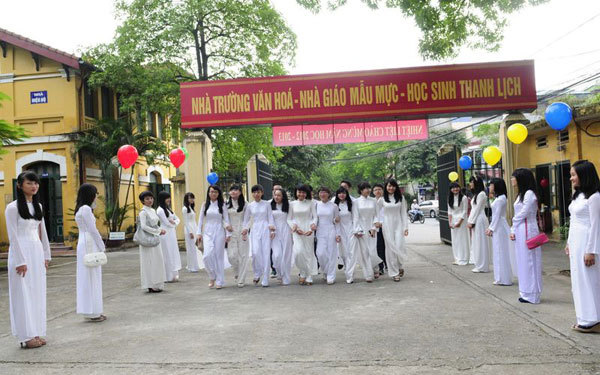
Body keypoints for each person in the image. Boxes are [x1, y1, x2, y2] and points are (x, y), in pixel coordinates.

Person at [5, 171, 51, 349]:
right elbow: (13, 235)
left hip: (36, 252)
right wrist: (19, 261)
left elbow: (43, 232)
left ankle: (36, 331)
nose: (34, 186)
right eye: (29, 183)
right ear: (19, 185)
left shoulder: (37, 205)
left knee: (37, 292)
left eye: (36, 183)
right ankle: (25, 336)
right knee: (22, 294)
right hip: (21, 252)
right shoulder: (13, 208)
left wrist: (46, 255)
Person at [566, 160, 600, 332]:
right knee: (578, 281)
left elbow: (595, 226)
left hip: (587, 243)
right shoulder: (579, 196)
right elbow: (574, 220)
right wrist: (568, 242)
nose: (571, 178)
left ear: (584, 175)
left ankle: (594, 319)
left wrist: (591, 251)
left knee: (590, 280)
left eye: (574, 175)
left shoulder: (595, 197)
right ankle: (584, 317)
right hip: (576, 242)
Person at [510, 168, 543, 304]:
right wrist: (514, 229)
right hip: (520, 228)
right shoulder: (521, 194)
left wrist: (513, 225)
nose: (512, 180)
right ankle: (525, 291)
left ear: (521, 179)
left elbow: (523, 212)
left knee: (530, 261)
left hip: (528, 229)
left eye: (514, 177)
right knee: (522, 261)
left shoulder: (529, 194)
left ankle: (533, 293)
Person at [75, 183, 107, 322]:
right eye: (95, 193)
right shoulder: (86, 209)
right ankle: (94, 311)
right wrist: (101, 245)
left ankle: (91, 310)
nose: (96, 196)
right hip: (89, 242)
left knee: (87, 275)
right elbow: (93, 229)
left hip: (83, 241)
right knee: (92, 276)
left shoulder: (80, 208)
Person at [197, 185, 232, 289]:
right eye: (211, 192)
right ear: (208, 193)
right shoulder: (205, 205)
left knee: (219, 257)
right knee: (206, 256)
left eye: (215, 192)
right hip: (207, 232)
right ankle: (212, 276)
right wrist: (198, 233)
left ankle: (220, 280)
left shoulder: (222, 205)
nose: (213, 194)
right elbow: (200, 220)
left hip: (219, 231)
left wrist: (228, 234)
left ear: (218, 194)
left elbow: (226, 219)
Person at [242, 184, 276, 287]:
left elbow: (270, 217)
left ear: (262, 193)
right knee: (255, 252)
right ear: (252, 193)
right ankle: (257, 273)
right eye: (254, 192)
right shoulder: (250, 205)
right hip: (255, 229)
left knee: (265, 253)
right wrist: (245, 229)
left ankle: (265, 277)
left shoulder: (266, 204)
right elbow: (246, 220)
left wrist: (272, 229)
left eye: (258, 192)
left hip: (265, 229)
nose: (256, 194)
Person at [378, 179, 409, 282]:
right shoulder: (382, 199)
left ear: (396, 187)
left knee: (399, 246)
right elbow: (376, 213)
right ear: (386, 187)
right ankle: (394, 272)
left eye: (393, 186)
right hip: (387, 225)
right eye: (389, 186)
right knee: (390, 249)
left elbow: (403, 213)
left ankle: (399, 265)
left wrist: (405, 227)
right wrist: (379, 223)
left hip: (398, 224)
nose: (391, 188)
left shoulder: (401, 198)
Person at [287, 184, 318, 285]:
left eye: (303, 192)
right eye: (299, 192)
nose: (301, 194)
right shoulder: (292, 204)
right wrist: (295, 227)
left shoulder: (310, 203)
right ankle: (302, 271)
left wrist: (311, 228)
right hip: (297, 230)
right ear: (296, 192)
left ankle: (308, 275)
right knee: (298, 252)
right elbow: (289, 218)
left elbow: (315, 217)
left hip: (308, 230)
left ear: (306, 193)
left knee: (308, 253)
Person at [137, 191, 167, 293]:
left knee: (157, 260)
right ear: (142, 201)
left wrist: (159, 230)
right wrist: (158, 231)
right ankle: (150, 284)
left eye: (151, 198)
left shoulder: (153, 210)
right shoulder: (143, 212)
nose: (150, 200)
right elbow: (144, 226)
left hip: (155, 239)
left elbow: (155, 224)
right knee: (149, 261)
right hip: (147, 240)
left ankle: (157, 283)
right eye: (147, 199)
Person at [486, 178, 513, 286]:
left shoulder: (501, 199)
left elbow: (497, 215)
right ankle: (500, 277)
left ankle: (504, 278)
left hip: (499, 227)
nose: (490, 187)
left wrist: (491, 228)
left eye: (491, 185)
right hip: (498, 225)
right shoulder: (500, 198)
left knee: (500, 251)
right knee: (498, 251)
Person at [353, 182, 382, 282]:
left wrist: (374, 227)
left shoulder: (374, 201)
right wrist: (356, 230)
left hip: (371, 229)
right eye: (365, 188)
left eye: (369, 188)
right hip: (362, 230)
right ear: (361, 190)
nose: (368, 190)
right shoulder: (356, 202)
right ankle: (368, 274)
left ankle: (376, 268)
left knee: (372, 251)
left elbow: (377, 215)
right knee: (364, 252)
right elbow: (355, 217)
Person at [315, 187, 341, 285]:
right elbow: (314, 218)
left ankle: (331, 275)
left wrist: (338, 234)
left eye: (325, 192)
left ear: (328, 194)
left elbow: (337, 221)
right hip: (320, 231)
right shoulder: (316, 205)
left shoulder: (334, 206)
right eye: (321, 192)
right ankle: (325, 271)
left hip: (331, 230)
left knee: (331, 253)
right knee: (320, 253)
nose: (322, 194)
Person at [226, 184, 250, 287]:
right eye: (231, 190)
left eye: (236, 190)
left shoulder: (245, 204)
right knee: (232, 256)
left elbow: (248, 218)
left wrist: (246, 228)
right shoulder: (225, 205)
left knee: (243, 256)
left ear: (240, 192)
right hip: (231, 232)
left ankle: (241, 279)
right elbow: (223, 218)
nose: (233, 192)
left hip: (242, 231)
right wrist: (226, 226)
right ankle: (236, 272)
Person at [467, 175, 491, 273]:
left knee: (481, 242)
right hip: (476, 219)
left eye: (472, 182)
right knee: (477, 241)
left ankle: (482, 265)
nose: (470, 184)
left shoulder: (481, 194)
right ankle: (479, 263)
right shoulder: (477, 194)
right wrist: (471, 220)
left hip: (479, 219)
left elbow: (476, 210)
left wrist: (470, 221)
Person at [157, 191, 181, 283]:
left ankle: (173, 274)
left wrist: (174, 222)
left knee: (172, 252)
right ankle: (167, 276)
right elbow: (166, 223)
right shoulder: (160, 210)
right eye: (167, 198)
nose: (169, 200)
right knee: (166, 253)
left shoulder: (168, 209)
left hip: (171, 233)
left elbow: (177, 219)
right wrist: (173, 222)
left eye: (169, 198)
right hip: (165, 233)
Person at [271, 188, 293, 285]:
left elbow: (292, 218)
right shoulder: (270, 206)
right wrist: (271, 229)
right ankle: (279, 273)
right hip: (274, 232)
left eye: (279, 195)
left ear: (283, 196)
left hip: (286, 230)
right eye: (275, 195)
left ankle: (286, 277)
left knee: (286, 255)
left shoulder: (288, 206)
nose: (276, 197)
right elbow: (269, 219)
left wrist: (293, 226)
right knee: (277, 255)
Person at [334, 187, 357, 283]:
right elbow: (333, 220)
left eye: (343, 193)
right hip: (340, 231)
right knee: (343, 252)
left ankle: (350, 275)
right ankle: (347, 270)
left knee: (351, 252)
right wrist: (337, 233)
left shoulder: (351, 204)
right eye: (339, 193)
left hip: (351, 230)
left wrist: (355, 230)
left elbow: (355, 217)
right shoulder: (335, 205)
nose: (341, 195)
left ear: (346, 194)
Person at [448, 182, 470, 265]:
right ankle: (457, 258)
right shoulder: (450, 198)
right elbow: (449, 211)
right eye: (453, 188)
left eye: (457, 187)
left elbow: (465, 211)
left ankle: (463, 258)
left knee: (462, 239)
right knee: (455, 240)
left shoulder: (464, 198)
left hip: (462, 220)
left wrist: (460, 222)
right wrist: (450, 222)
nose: (455, 189)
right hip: (453, 220)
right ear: (450, 189)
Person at [182, 192, 203, 273]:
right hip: (189, 229)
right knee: (191, 248)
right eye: (190, 198)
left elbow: (194, 220)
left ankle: (196, 265)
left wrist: (198, 230)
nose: (192, 199)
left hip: (194, 227)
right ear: (186, 199)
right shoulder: (184, 208)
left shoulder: (191, 208)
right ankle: (191, 267)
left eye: (192, 198)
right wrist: (190, 232)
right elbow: (185, 221)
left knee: (195, 247)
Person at [373, 183, 387, 275]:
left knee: (387, 246)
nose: (377, 191)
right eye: (375, 190)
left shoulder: (387, 201)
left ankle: (389, 264)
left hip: (386, 226)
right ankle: (381, 267)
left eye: (379, 189)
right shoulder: (371, 201)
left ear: (382, 190)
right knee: (378, 247)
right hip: (376, 227)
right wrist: (375, 223)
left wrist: (383, 223)